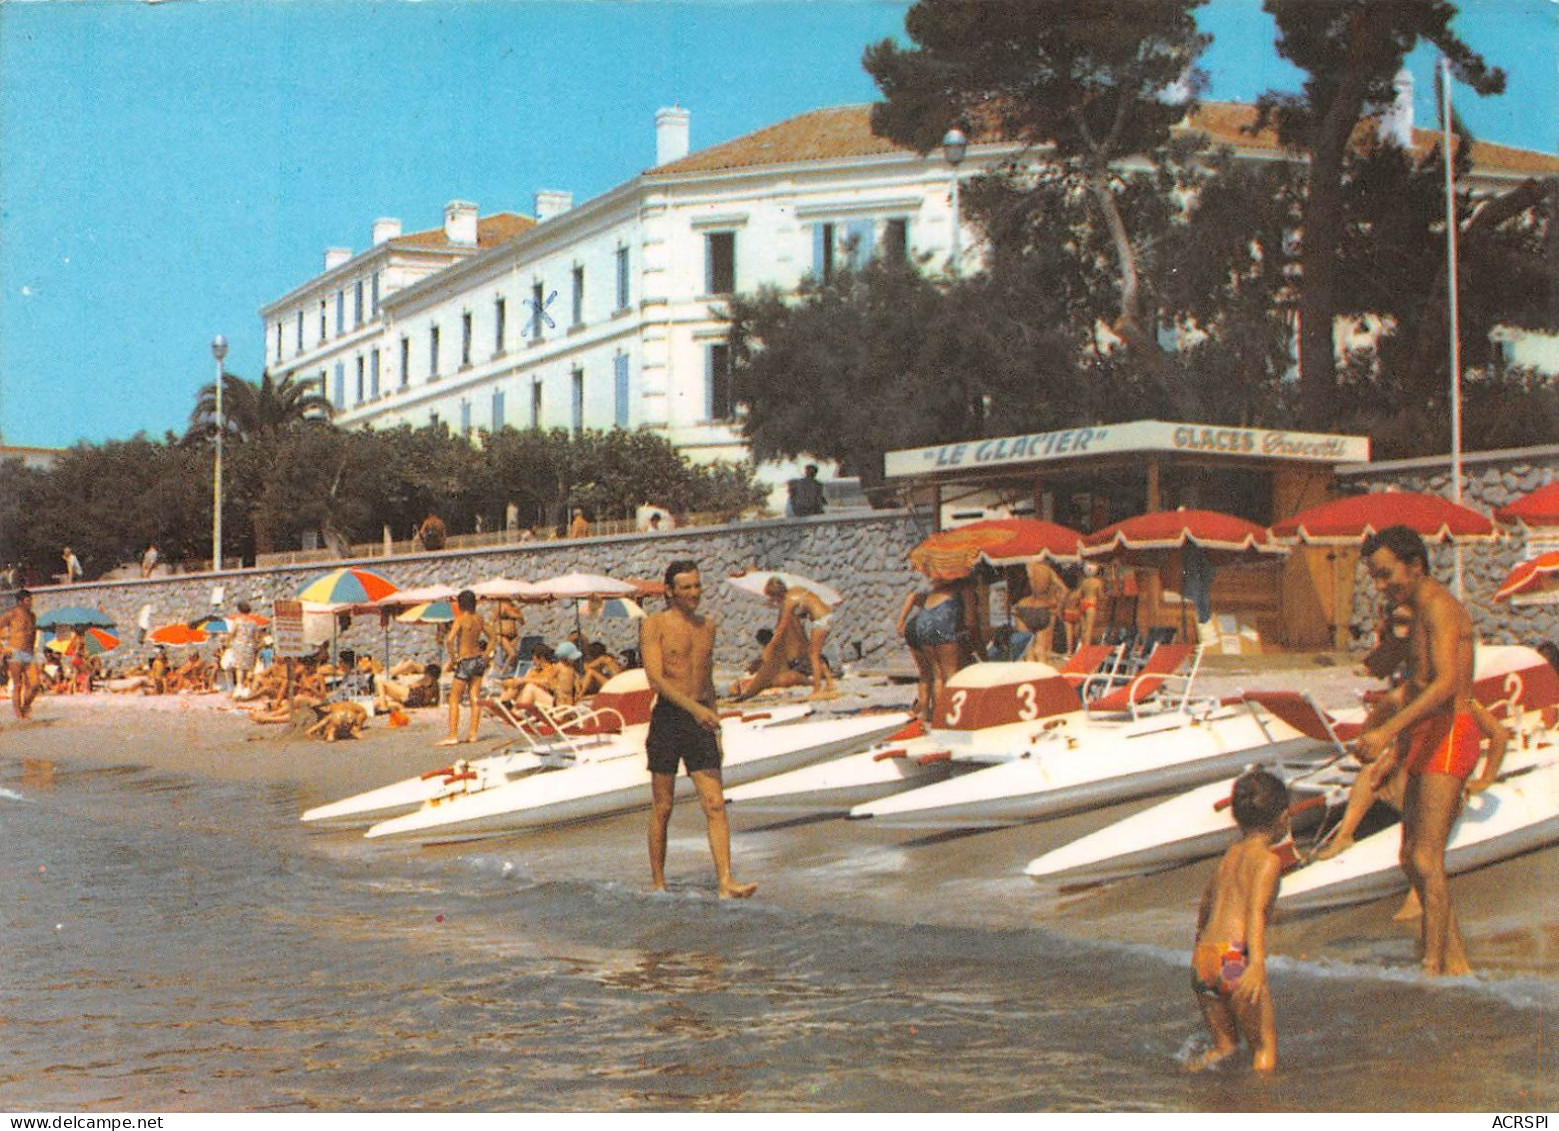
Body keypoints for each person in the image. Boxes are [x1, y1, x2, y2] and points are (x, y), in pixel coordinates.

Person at [1352, 525, 1480, 977]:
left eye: (1387, 575)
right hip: (1426, 732)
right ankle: (1455, 962)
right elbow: (1412, 679)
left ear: (1415, 565)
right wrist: (1389, 647)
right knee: (1410, 857)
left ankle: (1433, 966)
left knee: (1427, 858)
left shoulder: (1441, 609)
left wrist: (1387, 734)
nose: (1382, 585)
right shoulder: (1417, 611)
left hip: (1450, 730)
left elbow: (1445, 685)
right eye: (1375, 578)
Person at [641, 559, 756, 899]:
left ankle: (726, 882)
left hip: (701, 719)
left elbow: (706, 680)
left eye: (697, 586)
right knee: (663, 806)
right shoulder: (654, 625)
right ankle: (659, 884)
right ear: (670, 591)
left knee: (715, 804)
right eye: (687, 587)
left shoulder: (708, 626)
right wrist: (695, 710)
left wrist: (715, 726)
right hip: (669, 719)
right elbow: (655, 678)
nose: (694, 593)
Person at [1189, 767, 1287, 1074]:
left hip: (1205, 957)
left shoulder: (1230, 855)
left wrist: (1199, 946)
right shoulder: (1268, 861)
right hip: (1235, 956)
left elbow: (1205, 903)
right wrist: (1256, 964)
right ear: (1283, 817)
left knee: (1224, 1048)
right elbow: (1255, 913)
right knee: (1264, 1054)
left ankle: (1188, 1083)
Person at [440, 589, 490, 747]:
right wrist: (486, 654)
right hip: (478, 660)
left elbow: (449, 640)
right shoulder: (479, 619)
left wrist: (454, 658)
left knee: (454, 699)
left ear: (460, 604)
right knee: (475, 697)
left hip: (465, 660)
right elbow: (493, 636)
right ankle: (473, 734)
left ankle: (453, 735)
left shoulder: (460, 619)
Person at [0, 590, 41, 719]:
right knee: (18, 685)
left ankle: (25, 706)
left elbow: (32, 634)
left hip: (29, 653)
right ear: (21, 601)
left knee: (35, 684)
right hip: (15, 652)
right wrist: (3, 648)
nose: (31, 603)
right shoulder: (11, 614)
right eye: (29, 600)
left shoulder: (32, 616)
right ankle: (19, 715)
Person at [227, 602, 262, 697]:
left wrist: (228, 642)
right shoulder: (254, 623)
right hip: (250, 647)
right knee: (250, 668)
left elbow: (232, 634)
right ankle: (248, 687)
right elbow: (257, 637)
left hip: (238, 646)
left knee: (240, 668)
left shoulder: (237, 621)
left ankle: (239, 687)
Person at [1073, 563, 1106, 653]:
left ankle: (1080, 647)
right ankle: (1085, 650)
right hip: (1091, 604)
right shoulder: (1098, 582)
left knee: (1083, 629)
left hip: (1083, 603)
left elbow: (1079, 595)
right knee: (1089, 629)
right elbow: (1100, 595)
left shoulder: (1084, 581)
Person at [493, 598, 525, 674]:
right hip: (501, 635)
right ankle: (502, 673)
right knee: (512, 654)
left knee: (510, 657)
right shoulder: (499, 606)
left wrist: (517, 616)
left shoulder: (514, 607)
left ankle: (501, 671)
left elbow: (522, 622)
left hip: (514, 636)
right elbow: (493, 620)